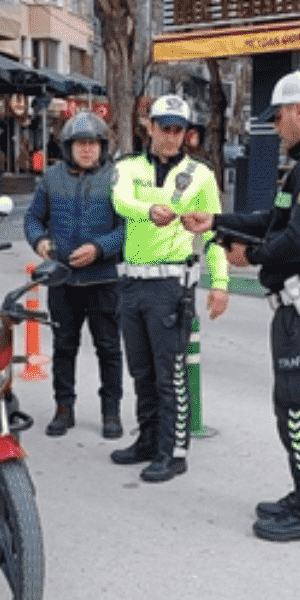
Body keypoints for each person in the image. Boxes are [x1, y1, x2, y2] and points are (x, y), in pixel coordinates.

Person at [182, 71, 300, 542]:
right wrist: (216, 221)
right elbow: (273, 220)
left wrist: (248, 257)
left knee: (299, 412)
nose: (276, 128)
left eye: (278, 118)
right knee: (294, 408)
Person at [110, 94, 230, 483]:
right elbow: (121, 200)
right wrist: (148, 210)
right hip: (131, 284)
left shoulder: (201, 175)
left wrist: (221, 283)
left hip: (170, 287)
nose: (171, 137)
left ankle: (174, 451)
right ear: (150, 127)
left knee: (170, 374)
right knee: (141, 371)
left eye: (179, 130)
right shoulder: (128, 167)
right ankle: (147, 440)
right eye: (165, 128)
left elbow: (214, 233)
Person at [24, 110, 125, 439]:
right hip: (63, 280)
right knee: (64, 347)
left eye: (93, 144)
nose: (87, 149)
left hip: (104, 280)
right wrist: (39, 240)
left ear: (102, 147)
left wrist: (99, 248)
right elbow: (33, 219)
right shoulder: (52, 178)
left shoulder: (116, 179)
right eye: (80, 144)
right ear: (68, 147)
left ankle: (111, 411)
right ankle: (63, 408)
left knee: (108, 348)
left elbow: (127, 228)